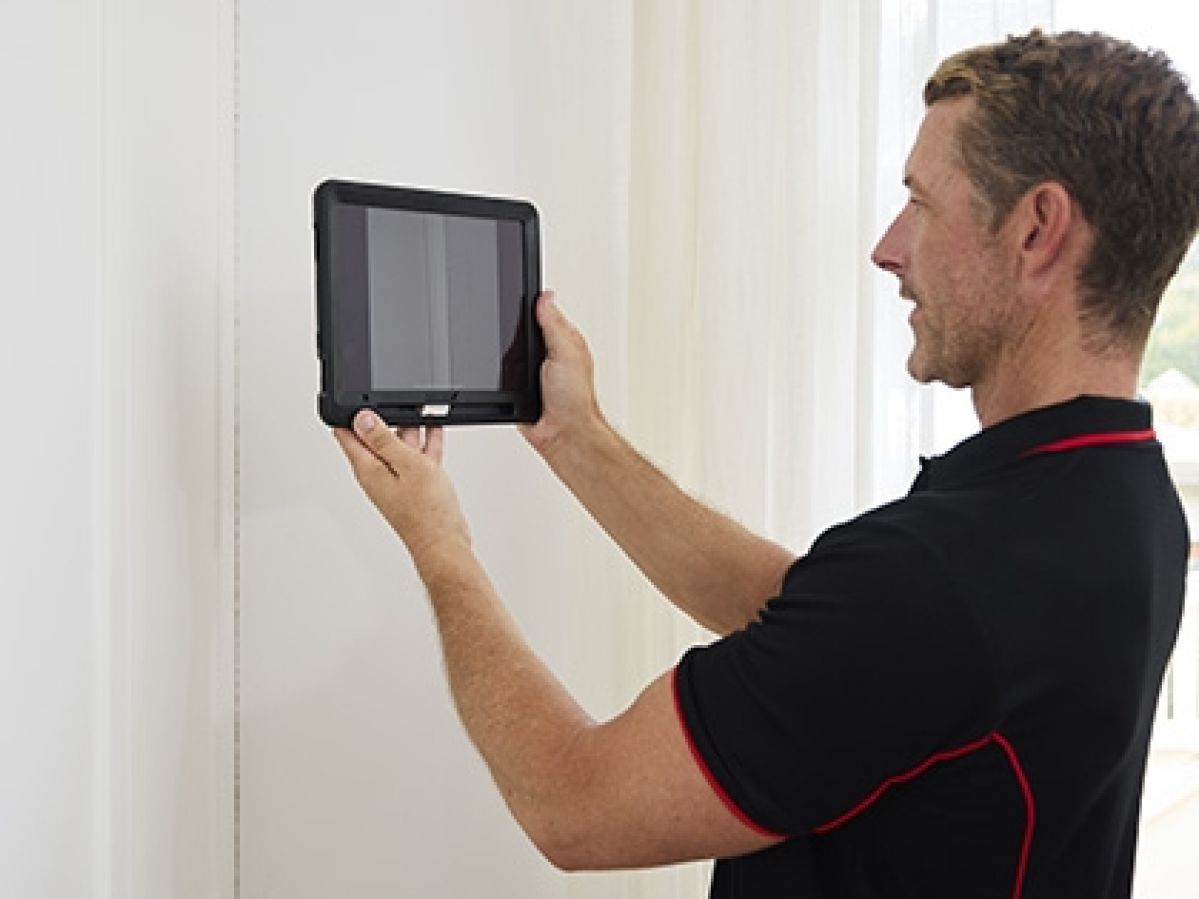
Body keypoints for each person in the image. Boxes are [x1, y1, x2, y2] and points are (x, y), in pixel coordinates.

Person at [333, 29, 1199, 898]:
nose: (888, 246)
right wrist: (578, 437)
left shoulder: (945, 574)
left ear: (1036, 229)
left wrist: (438, 545)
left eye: (922, 202)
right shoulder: (1123, 496)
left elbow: (572, 801)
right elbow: (834, 626)